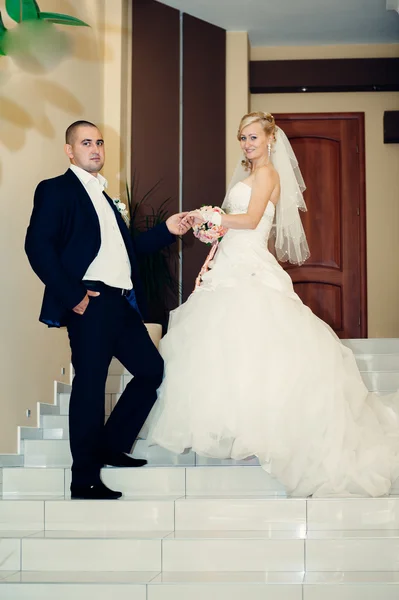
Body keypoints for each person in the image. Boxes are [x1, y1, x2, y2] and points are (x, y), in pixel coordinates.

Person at [146, 111, 399, 498]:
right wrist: (210, 254)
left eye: (253, 137)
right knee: (223, 344)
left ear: (270, 140)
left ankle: (270, 430)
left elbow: (248, 220)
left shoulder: (268, 176)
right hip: (229, 262)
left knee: (260, 339)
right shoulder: (245, 178)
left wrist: (211, 215)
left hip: (251, 265)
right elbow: (230, 230)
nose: (247, 144)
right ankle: (242, 427)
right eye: (242, 138)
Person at [25, 120, 193, 500]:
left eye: (99, 142)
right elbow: (38, 247)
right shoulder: (56, 190)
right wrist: (73, 296)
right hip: (90, 303)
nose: (96, 149)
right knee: (90, 384)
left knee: (152, 371)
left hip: (120, 303)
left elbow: (127, 250)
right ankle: (83, 477)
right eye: (86, 143)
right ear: (70, 151)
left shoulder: (104, 197)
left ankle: (110, 445)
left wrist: (167, 229)